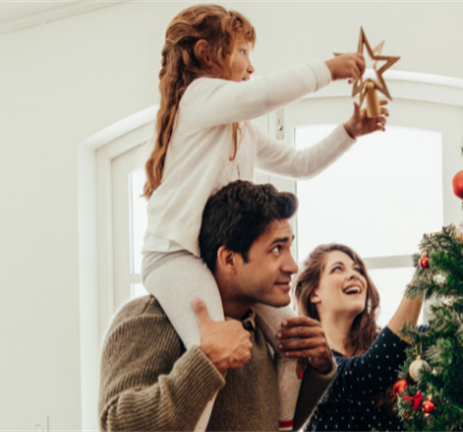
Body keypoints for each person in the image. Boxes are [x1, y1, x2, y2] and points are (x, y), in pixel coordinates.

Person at [139, 5, 388, 430]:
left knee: (293, 337)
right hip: (176, 255)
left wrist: (349, 130)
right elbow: (261, 94)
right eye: (241, 53)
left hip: (220, 257)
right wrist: (328, 69)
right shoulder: (198, 97)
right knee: (211, 349)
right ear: (206, 53)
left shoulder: (242, 130)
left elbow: (302, 163)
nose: (251, 67)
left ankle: (285, 424)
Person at [100, 181, 338, 432]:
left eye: (289, 246)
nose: (293, 266)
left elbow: (274, 422)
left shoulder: (260, 330)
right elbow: (116, 425)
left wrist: (318, 367)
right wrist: (206, 362)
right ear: (229, 259)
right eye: (277, 248)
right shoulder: (148, 318)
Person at [293, 244, 424, 432]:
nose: (355, 275)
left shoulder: (385, 348)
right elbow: (368, 372)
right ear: (314, 293)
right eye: (337, 268)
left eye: (358, 270)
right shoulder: (310, 363)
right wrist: (423, 275)